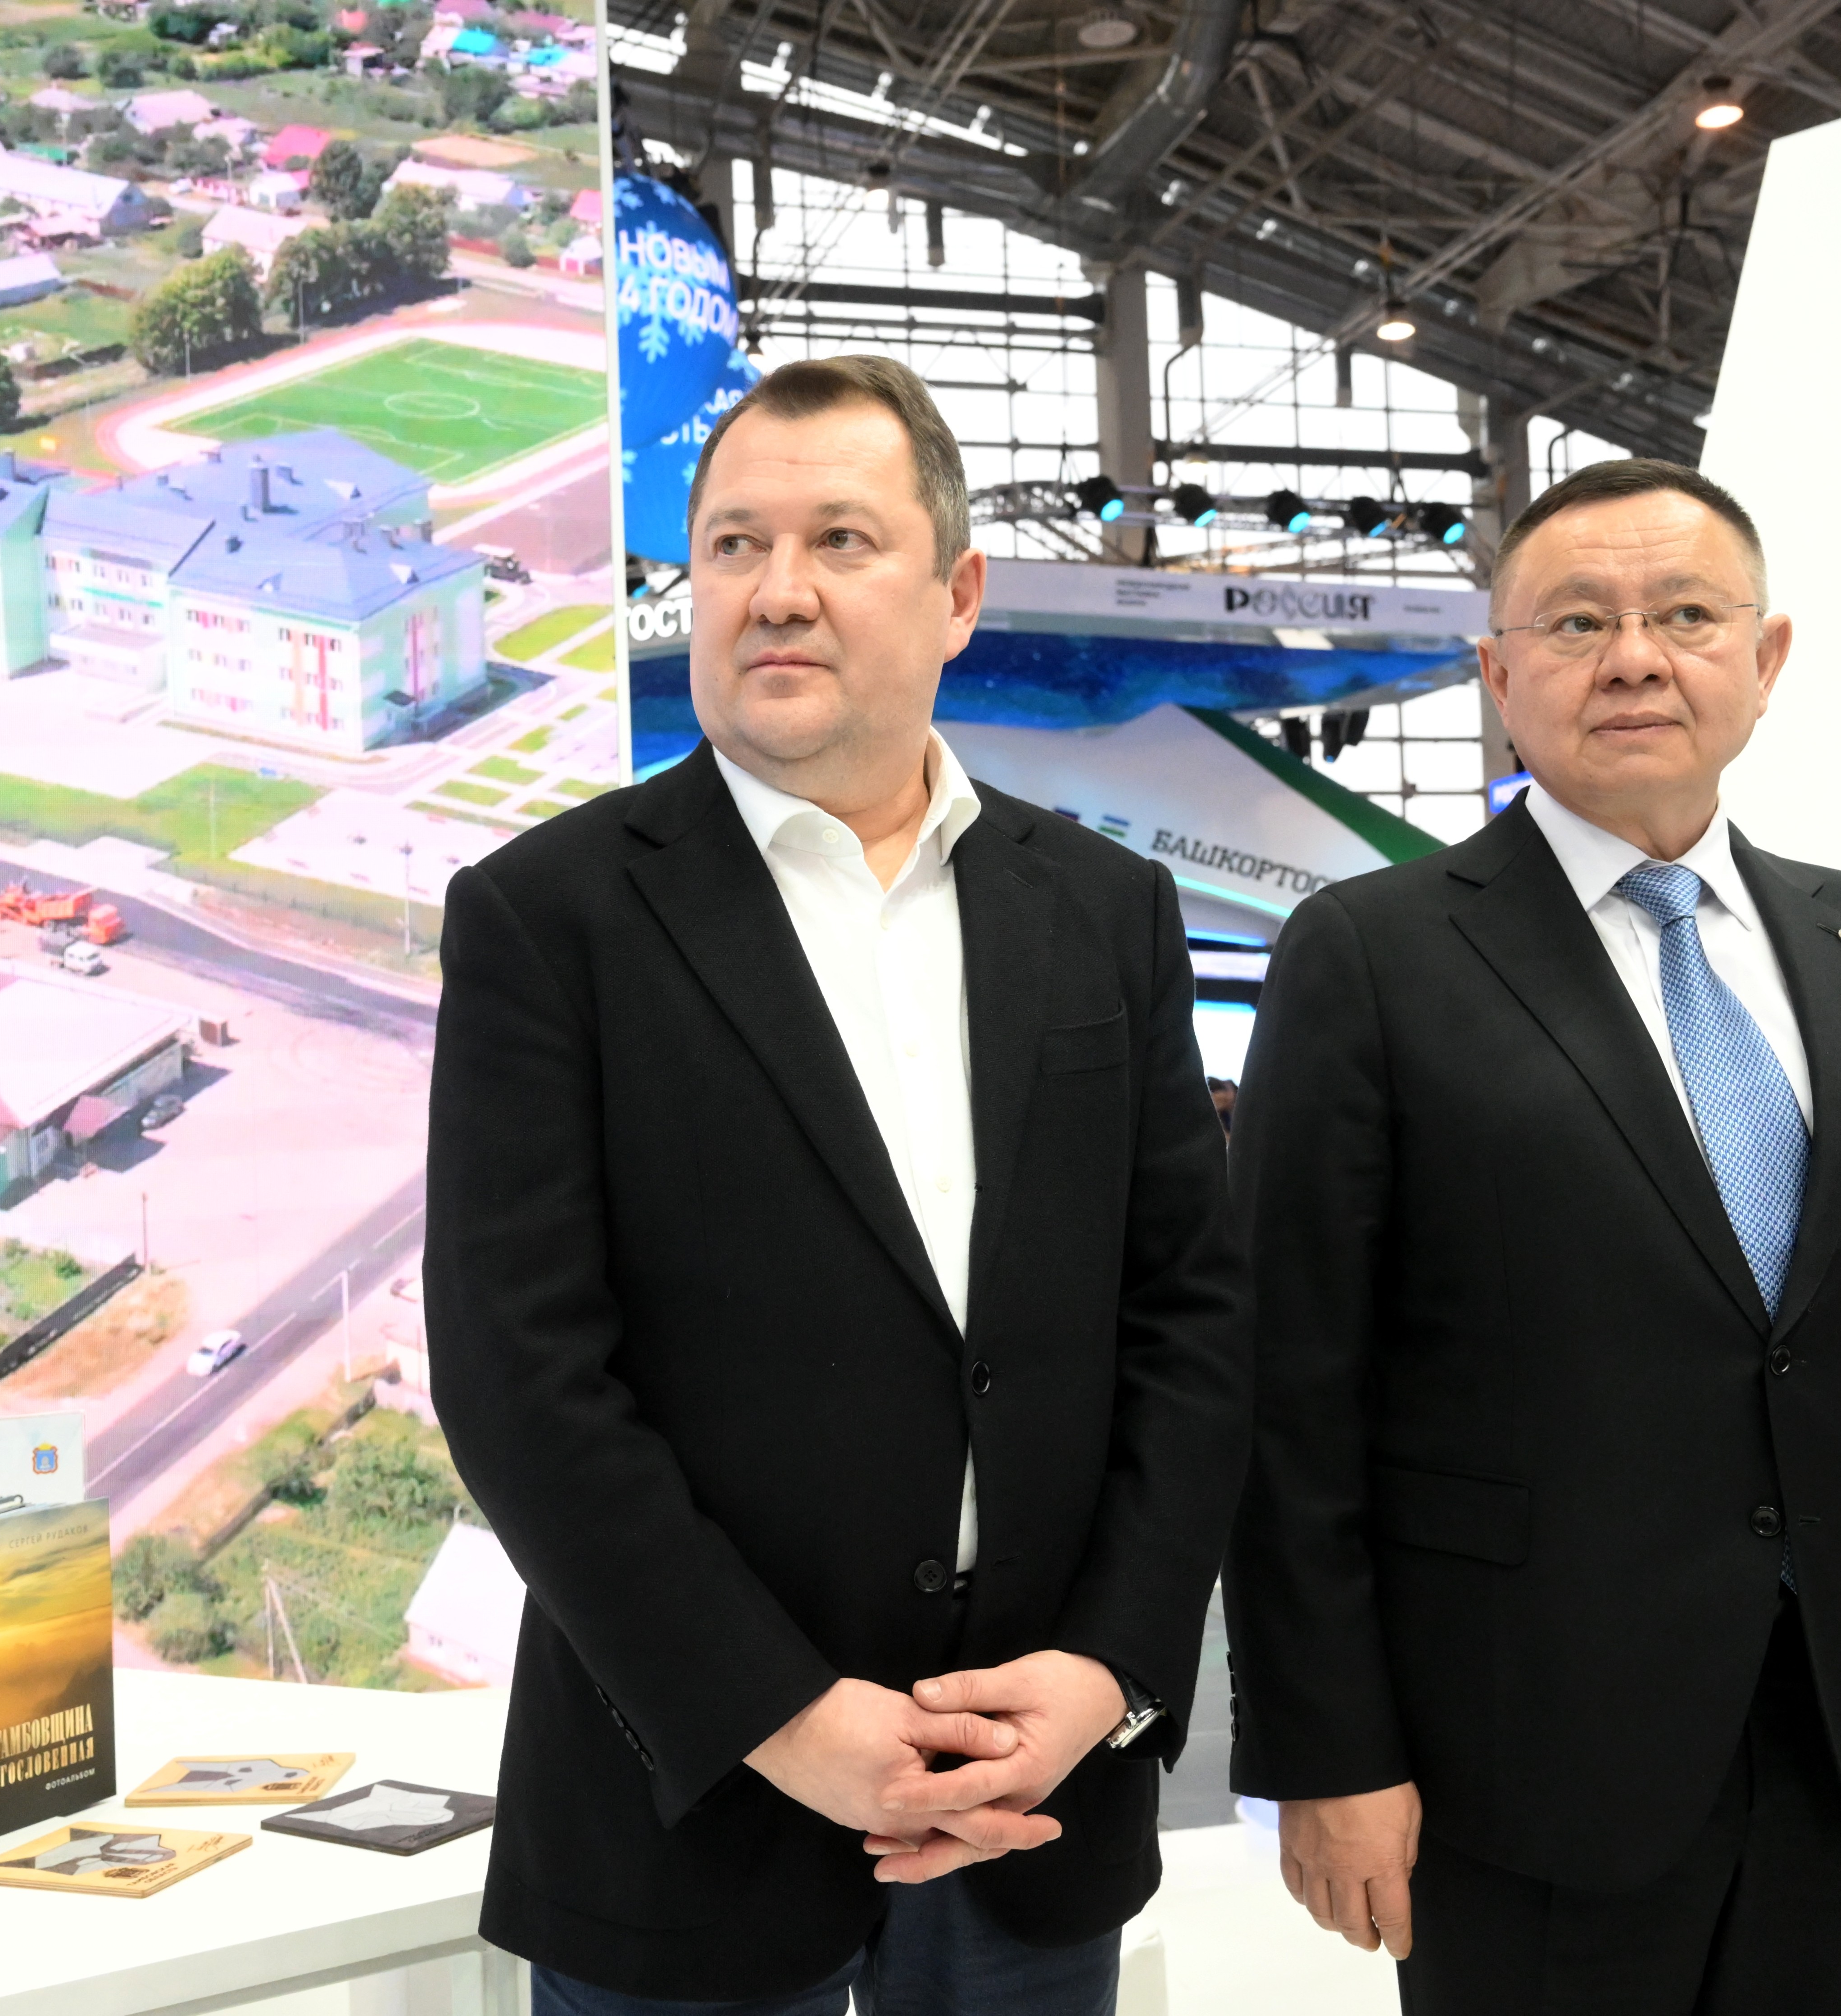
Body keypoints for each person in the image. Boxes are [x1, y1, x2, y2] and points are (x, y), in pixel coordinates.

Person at [422, 353, 1251, 2015]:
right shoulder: (550, 919)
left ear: (958, 596)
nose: (777, 590)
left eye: (840, 541)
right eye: (733, 545)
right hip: (692, 1814)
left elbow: (1192, 1324)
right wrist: (783, 1720)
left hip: (1032, 1806)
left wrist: (1106, 1670)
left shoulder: (1103, 911)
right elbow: (522, 1381)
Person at [1224, 457, 1841, 2015]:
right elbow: (1291, 1394)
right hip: (1522, 1750)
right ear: (1498, 675)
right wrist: (1325, 1748)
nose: (1632, 657)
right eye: (1575, 622)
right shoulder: (1374, 955)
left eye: (1685, 615)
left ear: (1765, 657)